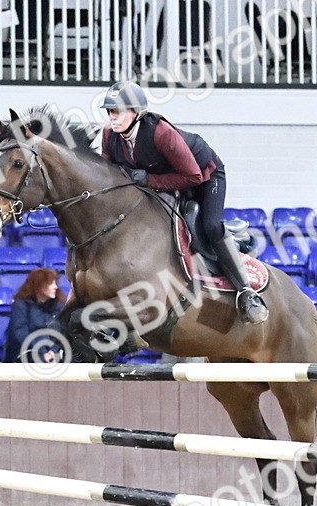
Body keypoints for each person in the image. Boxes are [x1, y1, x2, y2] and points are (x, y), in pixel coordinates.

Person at [99, 80, 269, 325]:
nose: (111, 117)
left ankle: (246, 292)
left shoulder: (160, 132)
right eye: (109, 112)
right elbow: (109, 174)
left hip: (205, 175)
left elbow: (193, 176)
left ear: (135, 112)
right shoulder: (110, 136)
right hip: (168, 179)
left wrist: (149, 179)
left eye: (117, 111)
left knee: (208, 225)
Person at [3, 267, 66, 363]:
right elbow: (21, 333)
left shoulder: (58, 305)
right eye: (51, 283)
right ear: (39, 285)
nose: (55, 287)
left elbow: (61, 332)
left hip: (52, 352)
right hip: (27, 351)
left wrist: (53, 350)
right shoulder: (21, 304)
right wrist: (42, 352)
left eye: (55, 283)